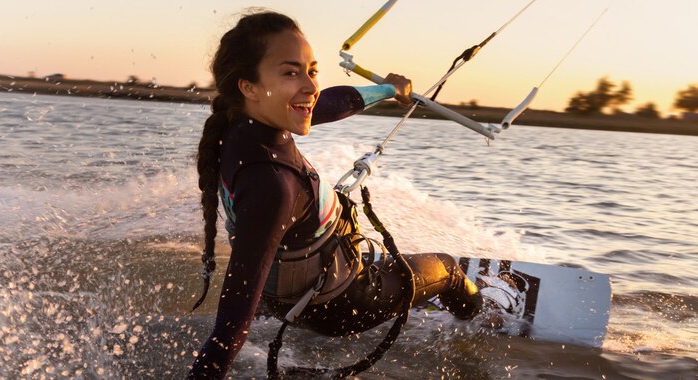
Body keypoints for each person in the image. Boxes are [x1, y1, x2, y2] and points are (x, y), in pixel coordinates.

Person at [187, 11, 482, 378]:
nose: (311, 87)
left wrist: (389, 90)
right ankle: (479, 329)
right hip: (340, 304)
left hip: (289, 296)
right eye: (290, 72)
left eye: (312, 71)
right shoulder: (273, 187)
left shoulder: (238, 124)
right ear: (249, 86)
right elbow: (229, 329)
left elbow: (327, 103)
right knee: (449, 269)